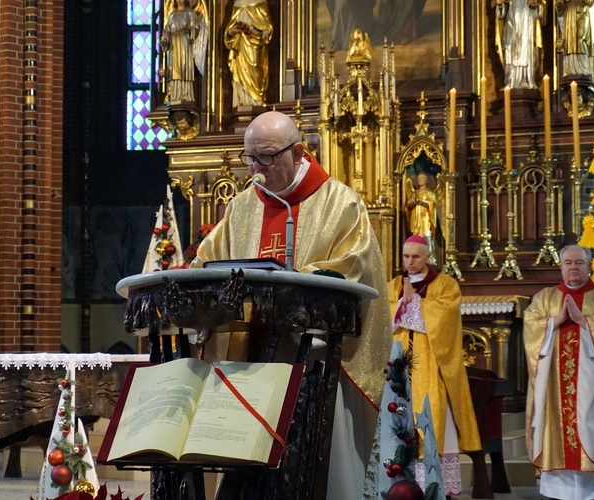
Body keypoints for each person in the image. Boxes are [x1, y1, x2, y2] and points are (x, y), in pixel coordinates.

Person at [192, 111, 392, 499]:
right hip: (248, 360)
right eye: (249, 157)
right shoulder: (242, 206)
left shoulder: (342, 204)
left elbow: (354, 273)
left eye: (266, 157)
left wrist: (295, 283)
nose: (256, 168)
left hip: (314, 362)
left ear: (298, 151)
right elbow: (207, 262)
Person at [523, 244, 594, 499]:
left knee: (591, 426)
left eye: (579, 263)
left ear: (589, 266)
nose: (573, 267)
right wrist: (554, 323)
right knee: (558, 431)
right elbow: (531, 327)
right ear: (561, 266)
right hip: (554, 390)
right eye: (568, 263)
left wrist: (585, 322)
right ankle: (560, 491)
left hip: (591, 387)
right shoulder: (544, 298)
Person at [387, 235, 481, 496]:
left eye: (416, 256)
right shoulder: (393, 284)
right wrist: (400, 307)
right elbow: (383, 316)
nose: (410, 262)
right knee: (398, 423)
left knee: (433, 420)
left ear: (428, 256)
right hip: (399, 369)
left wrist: (413, 304)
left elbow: (446, 318)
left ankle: (433, 487)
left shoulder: (445, 285)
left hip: (431, 369)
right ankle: (399, 487)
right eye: (406, 256)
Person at [224, 0, 273, 107]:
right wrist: (232, 31)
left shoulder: (260, 2)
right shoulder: (237, 4)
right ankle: (241, 99)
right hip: (241, 44)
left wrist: (266, 32)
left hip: (256, 44)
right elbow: (229, 29)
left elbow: (267, 25)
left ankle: (256, 100)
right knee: (240, 71)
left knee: (256, 71)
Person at [160, 0, 208, 103]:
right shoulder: (172, 14)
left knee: (184, 68)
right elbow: (167, 30)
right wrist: (165, 39)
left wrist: (189, 30)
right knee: (174, 70)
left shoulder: (190, 13)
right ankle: (175, 94)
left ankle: (185, 94)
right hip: (174, 45)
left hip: (185, 45)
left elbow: (195, 28)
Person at [496, 0, 545, 89]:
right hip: (511, 20)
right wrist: (501, 5)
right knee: (510, 47)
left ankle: (525, 79)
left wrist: (537, 5)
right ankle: (511, 80)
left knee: (525, 48)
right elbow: (501, 11)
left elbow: (543, 6)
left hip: (528, 19)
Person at [404, 171, 441, 264]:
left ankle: (430, 258)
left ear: (426, 180)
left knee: (427, 236)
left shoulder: (430, 193)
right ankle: (415, 258)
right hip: (416, 218)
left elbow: (434, 204)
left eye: (422, 178)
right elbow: (408, 204)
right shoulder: (414, 193)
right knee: (415, 238)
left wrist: (423, 202)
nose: (420, 180)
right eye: (419, 178)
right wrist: (413, 202)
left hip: (426, 218)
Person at [555, 0, 594, 76]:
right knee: (570, 40)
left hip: (583, 10)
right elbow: (559, 4)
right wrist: (559, 4)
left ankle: (584, 68)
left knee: (582, 37)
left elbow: (590, 2)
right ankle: (570, 69)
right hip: (570, 10)